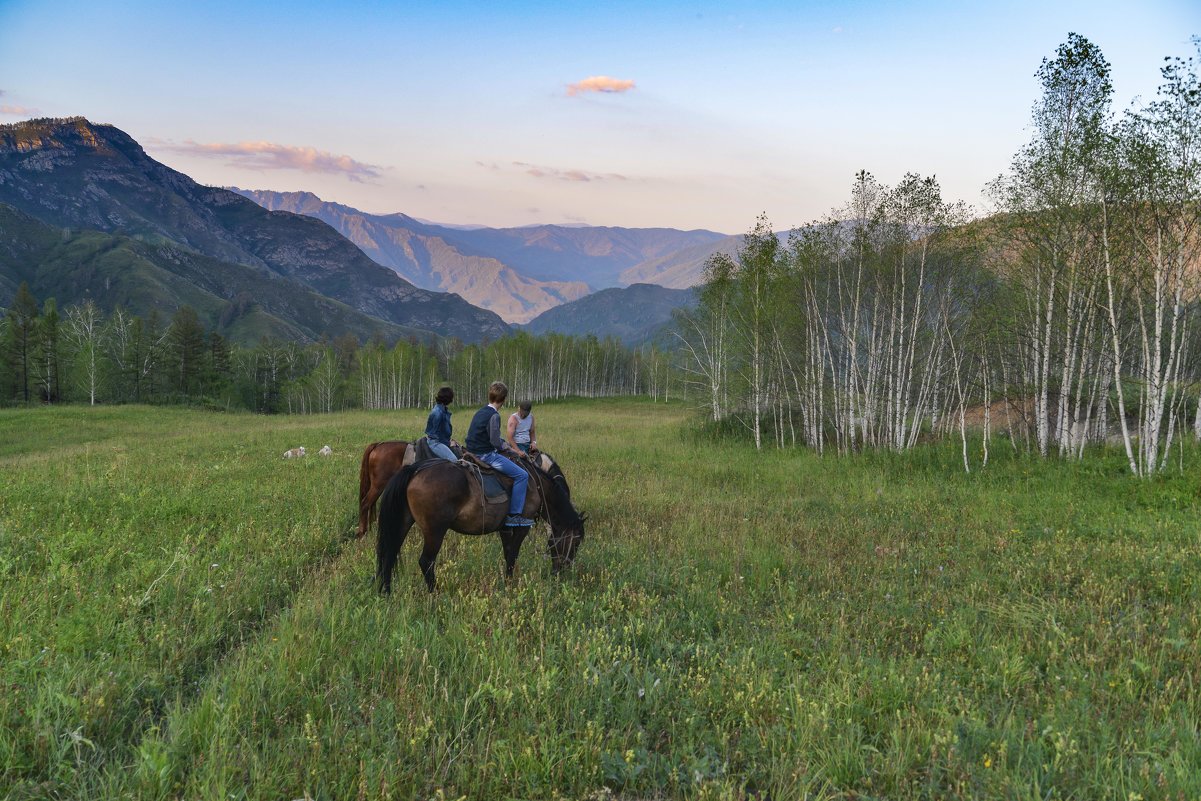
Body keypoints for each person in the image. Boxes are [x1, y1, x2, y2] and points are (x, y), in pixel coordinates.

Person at [464, 381, 534, 527]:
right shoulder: (494, 416)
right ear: (503, 400)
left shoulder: (481, 411)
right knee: (522, 475)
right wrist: (510, 448)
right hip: (486, 456)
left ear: (490, 396)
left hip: (471, 451)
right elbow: (495, 442)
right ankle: (514, 516)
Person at [424, 386, 457, 462]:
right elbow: (435, 435)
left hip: (441, 441)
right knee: (453, 460)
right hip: (435, 443)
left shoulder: (442, 410)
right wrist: (448, 443)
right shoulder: (437, 413)